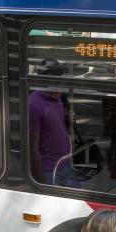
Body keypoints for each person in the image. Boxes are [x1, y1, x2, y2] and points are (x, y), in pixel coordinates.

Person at [28, 59, 79, 187]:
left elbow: (55, 127)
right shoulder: (33, 105)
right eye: (57, 75)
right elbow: (32, 149)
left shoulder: (59, 97)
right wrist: (42, 184)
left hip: (66, 164)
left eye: (60, 75)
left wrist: (67, 121)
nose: (60, 79)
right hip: (50, 171)